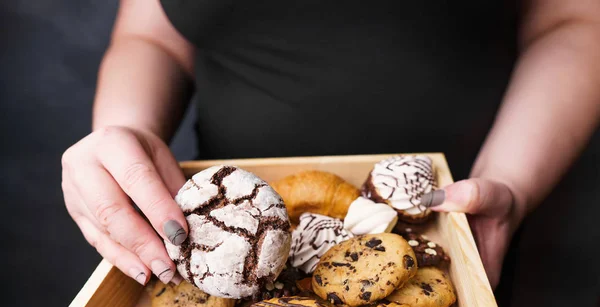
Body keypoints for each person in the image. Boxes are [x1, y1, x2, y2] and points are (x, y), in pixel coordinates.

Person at [60, 0, 600, 289]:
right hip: (217, 236)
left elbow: (575, 20)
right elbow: (151, 34)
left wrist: (512, 180)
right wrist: (126, 136)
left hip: (458, 216)